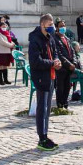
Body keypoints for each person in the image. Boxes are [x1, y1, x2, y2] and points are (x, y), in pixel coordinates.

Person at [28, 13, 61, 151]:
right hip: (41, 77)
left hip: (51, 76)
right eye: (49, 25)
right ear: (42, 25)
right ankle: (41, 138)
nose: (52, 27)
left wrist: (57, 61)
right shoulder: (35, 39)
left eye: (52, 24)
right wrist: (52, 63)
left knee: (47, 109)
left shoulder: (50, 38)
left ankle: (46, 135)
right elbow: (35, 61)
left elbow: (55, 52)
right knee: (42, 108)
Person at [53, 19, 78, 109]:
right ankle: (60, 105)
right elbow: (59, 54)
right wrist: (68, 64)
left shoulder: (66, 38)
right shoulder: (55, 38)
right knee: (60, 87)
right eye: (61, 26)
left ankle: (65, 103)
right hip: (61, 67)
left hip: (69, 67)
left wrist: (74, 62)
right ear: (56, 28)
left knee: (67, 86)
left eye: (64, 26)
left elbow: (73, 52)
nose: (63, 28)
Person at [0, 18, 15, 85]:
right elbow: (3, 42)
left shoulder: (6, 33)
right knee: (1, 66)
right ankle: (0, 80)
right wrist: (11, 45)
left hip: (7, 52)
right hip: (1, 52)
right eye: (3, 26)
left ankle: (6, 80)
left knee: (5, 66)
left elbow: (9, 40)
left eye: (5, 26)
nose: (5, 27)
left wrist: (12, 43)